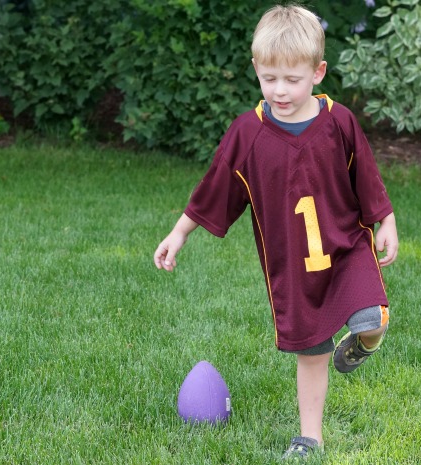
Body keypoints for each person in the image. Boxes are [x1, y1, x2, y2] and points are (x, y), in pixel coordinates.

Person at [153, 4, 398, 460]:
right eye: (269, 79)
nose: (280, 90)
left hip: (345, 247)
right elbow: (215, 187)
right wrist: (180, 232)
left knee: (373, 318)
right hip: (293, 268)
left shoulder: (339, 121)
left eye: (292, 79)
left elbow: (366, 174)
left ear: (318, 72)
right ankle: (310, 438)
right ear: (256, 71)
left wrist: (386, 220)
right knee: (312, 354)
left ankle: (363, 345)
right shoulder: (249, 133)